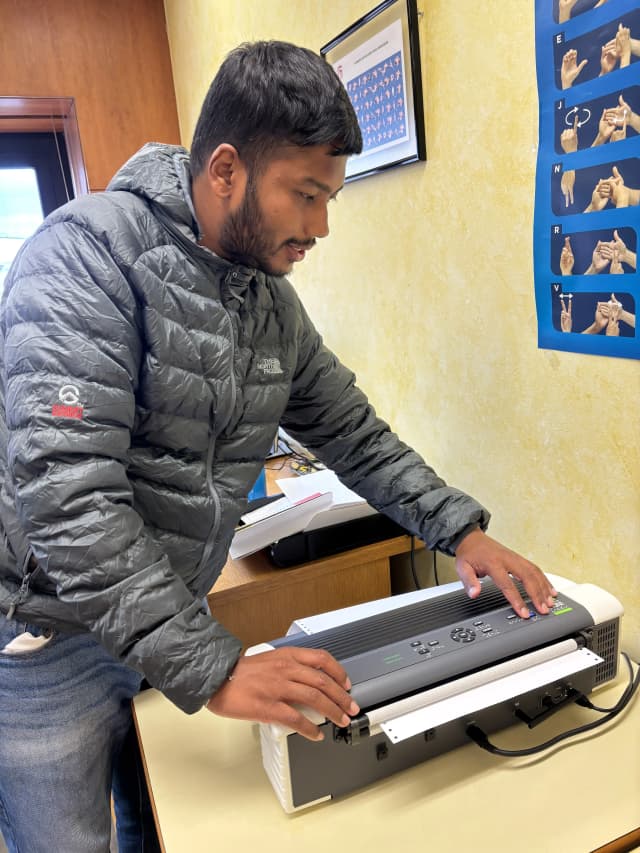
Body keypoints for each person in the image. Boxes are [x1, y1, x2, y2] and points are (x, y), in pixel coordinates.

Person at [0, 41, 556, 853]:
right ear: (226, 168)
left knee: (152, 821)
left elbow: (354, 433)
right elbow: (67, 491)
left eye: (329, 198)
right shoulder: (83, 258)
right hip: (50, 641)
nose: (322, 226)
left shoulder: (269, 305)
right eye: (306, 195)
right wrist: (214, 667)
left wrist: (464, 532)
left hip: (165, 620)